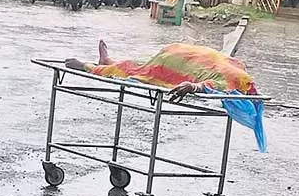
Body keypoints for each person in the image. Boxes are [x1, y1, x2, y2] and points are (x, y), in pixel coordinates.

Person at [66, 41, 267, 152]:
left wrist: (194, 85)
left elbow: (208, 83)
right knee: (142, 70)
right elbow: (207, 86)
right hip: (179, 61)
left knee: (140, 66)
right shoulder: (232, 82)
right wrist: (193, 87)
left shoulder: (239, 71)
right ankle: (91, 67)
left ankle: (106, 62)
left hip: (184, 54)